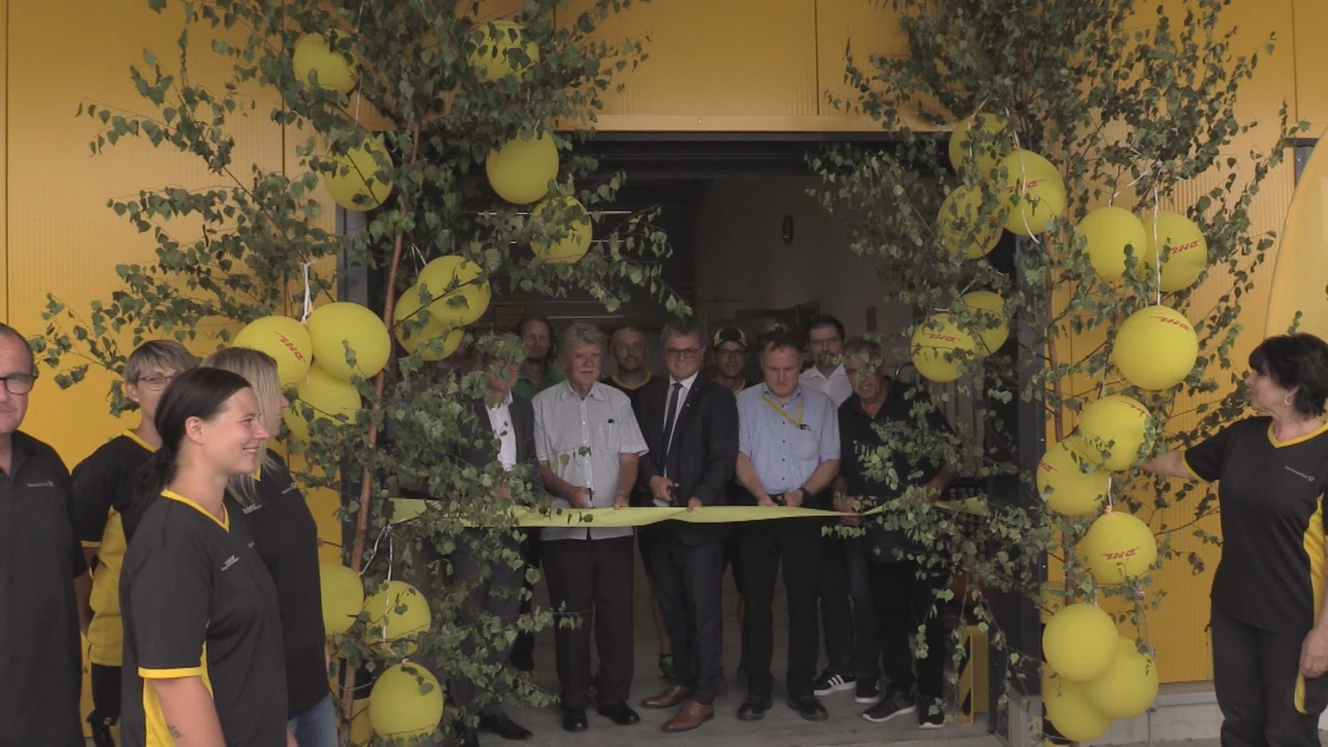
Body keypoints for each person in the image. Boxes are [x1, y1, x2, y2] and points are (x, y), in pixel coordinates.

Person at [1142, 333, 1328, 747]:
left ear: (1292, 389)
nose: (1248, 380)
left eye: (1259, 373)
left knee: (1288, 731)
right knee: (1240, 723)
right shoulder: (1244, 436)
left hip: (1295, 621)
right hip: (1234, 609)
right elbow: (1180, 463)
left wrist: (1323, 635)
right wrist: (1116, 452)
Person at [119, 367, 292, 747]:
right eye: (247, 420)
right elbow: (175, 684)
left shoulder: (226, 515)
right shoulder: (170, 545)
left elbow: (245, 651)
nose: (262, 433)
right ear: (196, 429)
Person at [408, 336, 539, 747]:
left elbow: (530, 460)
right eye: (502, 360)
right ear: (482, 362)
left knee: (503, 620)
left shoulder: (524, 407)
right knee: (469, 622)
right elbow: (436, 470)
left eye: (517, 362)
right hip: (467, 534)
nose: (510, 369)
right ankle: (464, 715)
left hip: (512, 532)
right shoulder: (456, 405)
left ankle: (491, 706)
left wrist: (531, 495)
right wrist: (484, 490)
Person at [204, 348, 336, 747]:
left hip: (309, 680)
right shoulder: (217, 493)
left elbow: (295, 569)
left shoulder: (273, 467)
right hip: (263, 695)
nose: (284, 402)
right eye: (275, 391)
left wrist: (317, 642)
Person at [73, 340, 196, 746]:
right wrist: (92, 624)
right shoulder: (105, 467)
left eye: (178, 379)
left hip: (191, 640)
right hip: (122, 644)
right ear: (131, 390)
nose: (169, 389)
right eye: (156, 380)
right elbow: (75, 564)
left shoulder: (201, 458)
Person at [533, 322, 647, 732]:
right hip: (564, 534)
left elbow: (630, 457)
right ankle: (575, 701)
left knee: (617, 618)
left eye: (595, 356)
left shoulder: (618, 401)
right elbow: (542, 467)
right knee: (572, 620)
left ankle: (614, 697)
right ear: (563, 361)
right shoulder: (543, 404)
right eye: (580, 356)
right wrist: (568, 491)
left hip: (613, 530)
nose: (588, 363)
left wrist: (624, 494)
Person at [837, 338, 951, 728]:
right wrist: (840, 499)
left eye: (868, 368)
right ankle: (899, 690)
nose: (862, 379)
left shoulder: (913, 401)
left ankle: (931, 696)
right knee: (888, 617)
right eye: (853, 372)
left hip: (923, 533)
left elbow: (951, 456)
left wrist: (935, 487)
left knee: (927, 616)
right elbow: (840, 469)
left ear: (881, 366)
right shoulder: (846, 413)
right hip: (878, 536)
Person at [635, 321, 739, 733]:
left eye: (690, 351)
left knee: (704, 612)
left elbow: (723, 458)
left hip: (699, 523)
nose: (682, 358)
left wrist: (702, 496)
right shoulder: (648, 396)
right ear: (663, 353)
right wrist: (650, 479)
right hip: (658, 522)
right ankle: (682, 679)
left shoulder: (719, 398)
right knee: (672, 608)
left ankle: (704, 695)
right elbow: (636, 449)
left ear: (702, 354)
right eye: (675, 351)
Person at [733, 328, 840, 722]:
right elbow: (740, 456)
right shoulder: (744, 403)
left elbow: (831, 460)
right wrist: (760, 494)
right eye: (773, 369)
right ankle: (757, 689)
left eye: (790, 369)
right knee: (756, 603)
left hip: (802, 510)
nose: (781, 377)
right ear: (761, 367)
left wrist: (803, 493)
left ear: (801, 365)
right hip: (758, 509)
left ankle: (801, 689)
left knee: (804, 603)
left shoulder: (821, 405)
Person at [0, 324, 86, 746]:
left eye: (15, 379)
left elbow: (72, 569)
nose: (3, 395)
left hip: (52, 705)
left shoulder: (47, 462)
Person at [603, 324, 673, 681]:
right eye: (623, 346)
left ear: (647, 351)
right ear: (611, 351)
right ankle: (608, 666)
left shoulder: (664, 389)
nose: (630, 352)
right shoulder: (599, 390)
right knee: (608, 585)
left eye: (637, 346)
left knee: (659, 577)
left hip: (652, 494)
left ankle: (669, 653)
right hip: (605, 497)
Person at [510, 313, 563, 673]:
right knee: (520, 588)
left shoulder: (563, 380)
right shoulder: (507, 382)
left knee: (565, 587)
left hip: (561, 500)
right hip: (522, 501)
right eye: (530, 336)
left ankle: (572, 668)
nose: (536, 342)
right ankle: (521, 662)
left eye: (543, 337)